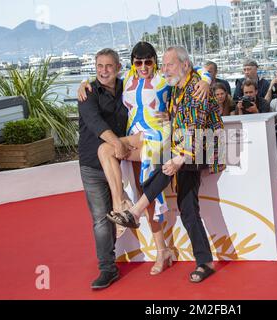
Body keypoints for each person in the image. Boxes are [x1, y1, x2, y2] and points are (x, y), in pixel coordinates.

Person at [78, 42, 211, 278]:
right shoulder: (126, 79)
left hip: (157, 139)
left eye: (148, 61)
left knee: (152, 194)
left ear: (154, 62)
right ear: (131, 64)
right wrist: (83, 83)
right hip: (135, 139)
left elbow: (196, 69)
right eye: (138, 62)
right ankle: (123, 208)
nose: (143, 66)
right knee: (106, 152)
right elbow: (104, 77)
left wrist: (206, 80)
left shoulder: (163, 77)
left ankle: (161, 250)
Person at [109, 46, 226, 283]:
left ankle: (136, 210)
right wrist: (170, 118)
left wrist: (178, 160)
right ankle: (205, 262)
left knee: (166, 168)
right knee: (187, 208)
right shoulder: (176, 88)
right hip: (186, 150)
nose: (164, 69)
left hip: (204, 149)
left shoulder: (196, 90)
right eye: (163, 65)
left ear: (184, 65)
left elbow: (196, 130)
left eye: (169, 64)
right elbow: (183, 122)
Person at [78, 48, 129, 289]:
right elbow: (95, 123)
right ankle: (107, 268)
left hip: (122, 162)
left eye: (109, 66)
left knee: (130, 208)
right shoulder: (88, 92)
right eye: (100, 66)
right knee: (101, 219)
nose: (104, 71)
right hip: (92, 165)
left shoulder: (128, 86)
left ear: (118, 67)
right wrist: (117, 142)